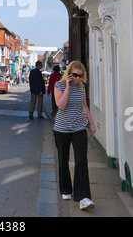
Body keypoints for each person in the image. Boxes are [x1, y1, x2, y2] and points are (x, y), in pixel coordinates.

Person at [53, 60, 96, 211]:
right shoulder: (59, 85)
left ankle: (83, 197)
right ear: (69, 74)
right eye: (75, 75)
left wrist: (91, 123)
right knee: (63, 160)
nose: (77, 78)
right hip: (62, 129)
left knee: (81, 160)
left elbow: (84, 105)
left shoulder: (82, 86)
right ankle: (66, 190)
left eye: (80, 76)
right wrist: (68, 87)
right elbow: (61, 105)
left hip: (78, 128)